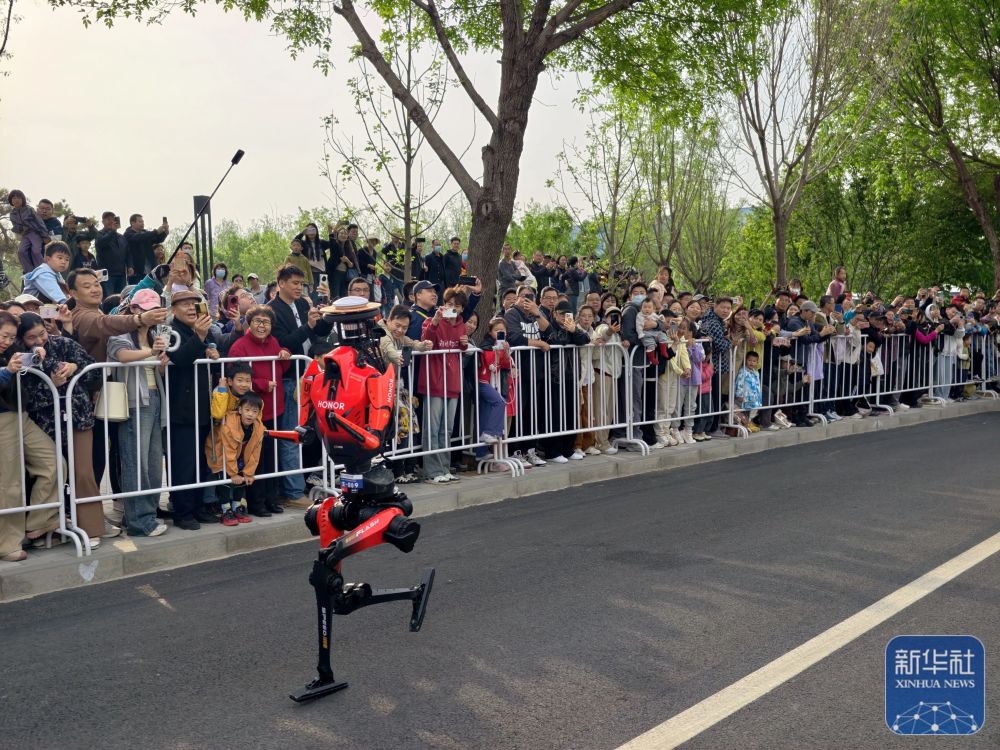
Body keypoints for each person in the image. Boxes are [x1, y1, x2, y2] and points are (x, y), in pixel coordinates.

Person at [16, 312, 114, 545]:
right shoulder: (19, 357)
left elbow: (95, 371)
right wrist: (51, 384)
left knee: (83, 472)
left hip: (78, 416)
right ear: (22, 339)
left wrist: (74, 368)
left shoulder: (64, 343)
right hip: (44, 421)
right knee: (52, 473)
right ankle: (51, 527)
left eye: (41, 333)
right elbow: (24, 395)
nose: (39, 340)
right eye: (31, 337)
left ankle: (91, 528)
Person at [107, 289, 170, 537]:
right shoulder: (121, 334)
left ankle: (147, 515)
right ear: (134, 309)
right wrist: (152, 353)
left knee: (153, 463)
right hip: (133, 402)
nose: (152, 314)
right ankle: (138, 520)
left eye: (155, 309)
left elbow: (156, 370)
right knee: (136, 461)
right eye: (146, 309)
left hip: (154, 399)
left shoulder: (155, 336)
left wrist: (161, 362)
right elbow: (122, 355)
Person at [0, 311, 62, 562]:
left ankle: (38, 521)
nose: (7, 341)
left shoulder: (13, 349)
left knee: (53, 462)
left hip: (21, 415)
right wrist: (6, 371)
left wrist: (36, 352)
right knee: (9, 483)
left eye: (11, 337)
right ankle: (7, 544)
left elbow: (28, 354)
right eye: (4, 335)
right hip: (3, 419)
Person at [268, 264, 332, 502]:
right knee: (292, 435)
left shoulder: (304, 304)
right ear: (281, 283)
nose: (299, 287)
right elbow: (284, 343)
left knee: (312, 434)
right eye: (294, 283)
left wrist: (326, 315)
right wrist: (308, 326)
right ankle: (293, 492)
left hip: (313, 376)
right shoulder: (272, 310)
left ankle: (304, 481)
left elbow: (319, 333)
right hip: (290, 379)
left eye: (301, 284)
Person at [227, 305, 292, 515]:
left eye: (266, 322)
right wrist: (262, 384)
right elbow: (235, 378)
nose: (262, 326)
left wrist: (286, 352)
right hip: (252, 413)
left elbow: (283, 367)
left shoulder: (273, 342)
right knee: (255, 458)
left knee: (272, 457)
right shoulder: (239, 346)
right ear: (249, 323)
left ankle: (271, 499)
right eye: (257, 321)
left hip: (274, 409)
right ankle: (256, 503)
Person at [163, 291, 216, 530]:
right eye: (185, 304)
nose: (191, 308)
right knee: (183, 463)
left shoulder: (201, 330)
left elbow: (209, 350)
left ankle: (198, 507)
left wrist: (211, 349)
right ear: (173, 309)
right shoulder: (168, 330)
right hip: (181, 408)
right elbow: (179, 358)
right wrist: (200, 337)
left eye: (195, 304)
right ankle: (183, 511)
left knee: (200, 461)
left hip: (202, 406)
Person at [419, 288, 468, 483]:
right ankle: (432, 471)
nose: (452, 308)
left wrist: (464, 344)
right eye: (449, 304)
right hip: (434, 381)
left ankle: (444, 468)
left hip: (453, 383)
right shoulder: (431, 321)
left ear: (462, 309)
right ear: (443, 304)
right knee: (432, 429)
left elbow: (461, 349)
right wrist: (435, 322)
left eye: (457, 305)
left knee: (446, 429)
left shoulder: (462, 326)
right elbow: (426, 341)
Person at [206, 392, 265, 526]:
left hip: (239, 453)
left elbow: (255, 452)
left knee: (243, 477)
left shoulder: (258, 427)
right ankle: (225, 510)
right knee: (225, 478)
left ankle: (236, 507)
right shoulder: (230, 424)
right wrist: (233, 473)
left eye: (254, 411)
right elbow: (228, 450)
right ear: (240, 410)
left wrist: (249, 473)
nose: (250, 414)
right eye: (247, 410)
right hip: (220, 452)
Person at [8, 190, 52, 273]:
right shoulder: (12, 214)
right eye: (14, 198)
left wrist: (45, 236)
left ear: (23, 199)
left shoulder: (29, 209)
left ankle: (43, 271)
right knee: (21, 252)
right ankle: (30, 272)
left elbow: (39, 222)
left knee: (36, 251)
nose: (16, 200)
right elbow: (15, 227)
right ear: (11, 200)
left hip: (35, 233)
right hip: (25, 235)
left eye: (19, 198)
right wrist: (21, 228)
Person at [22, 240, 71, 304]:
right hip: (29, 307)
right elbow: (55, 293)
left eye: (67, 259)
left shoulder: (57, 273)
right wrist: (67, 303)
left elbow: (66, 293)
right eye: (60, 258)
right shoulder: (42, 273)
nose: (63, 262)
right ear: (48, 259)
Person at [124, 214, 169, 282]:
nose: (142, 223)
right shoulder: (128, 234)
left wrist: (164, 233)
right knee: (138, 287)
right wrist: (156, 231)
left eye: (143, 221)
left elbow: (157, 239)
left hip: (149, 267)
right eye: (140, 221)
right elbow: (140, 237)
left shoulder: (145, 232)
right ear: (132, 223)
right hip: (136, 270)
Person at [95, 212, 131, 295]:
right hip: (107, 275)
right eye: (108, 219)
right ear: (103, 222)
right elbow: (101, 243)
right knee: (108, 297)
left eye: (113, 219)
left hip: (121, 274)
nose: (111, 221)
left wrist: (130, 266)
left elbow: (128, 253)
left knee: (121, 297)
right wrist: (112, 231)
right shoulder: (100, 234)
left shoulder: (121, 237)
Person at [636, 296, 671, 365]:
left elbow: (659, 319)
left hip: (655, 332)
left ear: (653, 308)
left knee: (663, 335)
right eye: (645, 307)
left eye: (649, 307)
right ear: (641, 308)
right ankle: (652, 358)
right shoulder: (639, 316)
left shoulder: (653, 314)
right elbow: (638, 326)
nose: (647, 309)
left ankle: (663, 351)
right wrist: (640, 334)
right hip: (646, 333)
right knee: (650, 344)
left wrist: (661, 317)